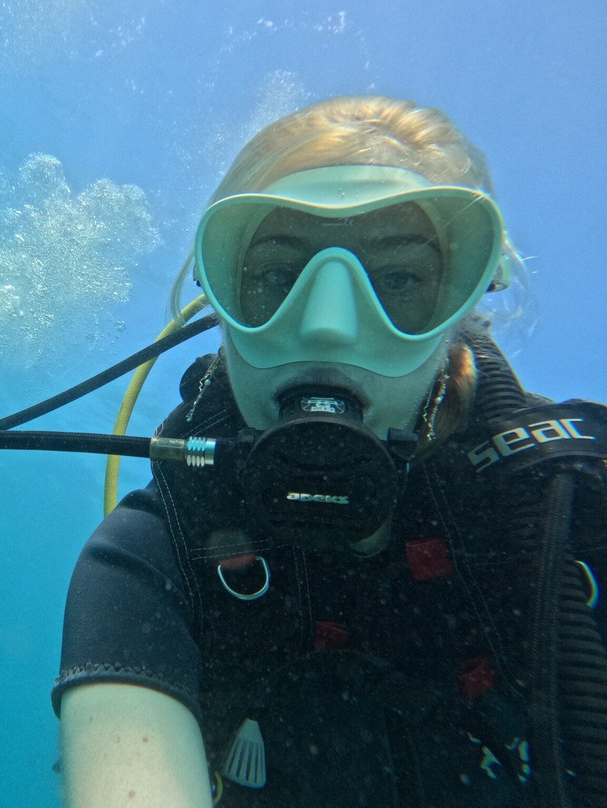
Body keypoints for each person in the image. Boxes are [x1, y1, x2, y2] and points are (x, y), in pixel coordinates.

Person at [52, 97, 607, 807]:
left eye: (401, 280)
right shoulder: (152, 557)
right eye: (278, 278)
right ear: (219, 299)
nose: (327, 328)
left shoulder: (574, 504)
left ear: (466, 305)